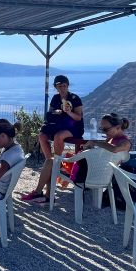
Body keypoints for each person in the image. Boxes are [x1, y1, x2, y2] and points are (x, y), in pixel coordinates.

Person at [21, 75, 84, 203]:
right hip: (60, 125)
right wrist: (56, 112)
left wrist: (68, 112)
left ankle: (57, 160)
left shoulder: (74, 98)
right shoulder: (55, 98)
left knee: (58, 136)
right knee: (42, 135)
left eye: (64, 86)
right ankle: (50, 158)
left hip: (74, 127)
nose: (62, 88)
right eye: (59, 86)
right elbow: (49, 114)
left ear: (68, 86)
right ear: (56, 87)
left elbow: (78, 117)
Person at [70, 113, 132, 184]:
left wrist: (95, 142)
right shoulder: (111, 138)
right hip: (101, 171)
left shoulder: (125, 142)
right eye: (102, 129)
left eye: (106, 129)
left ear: (118, 127)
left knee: (75, 161)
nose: (104, 132)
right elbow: (102, 153)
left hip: (107, 175)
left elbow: (115, 149)